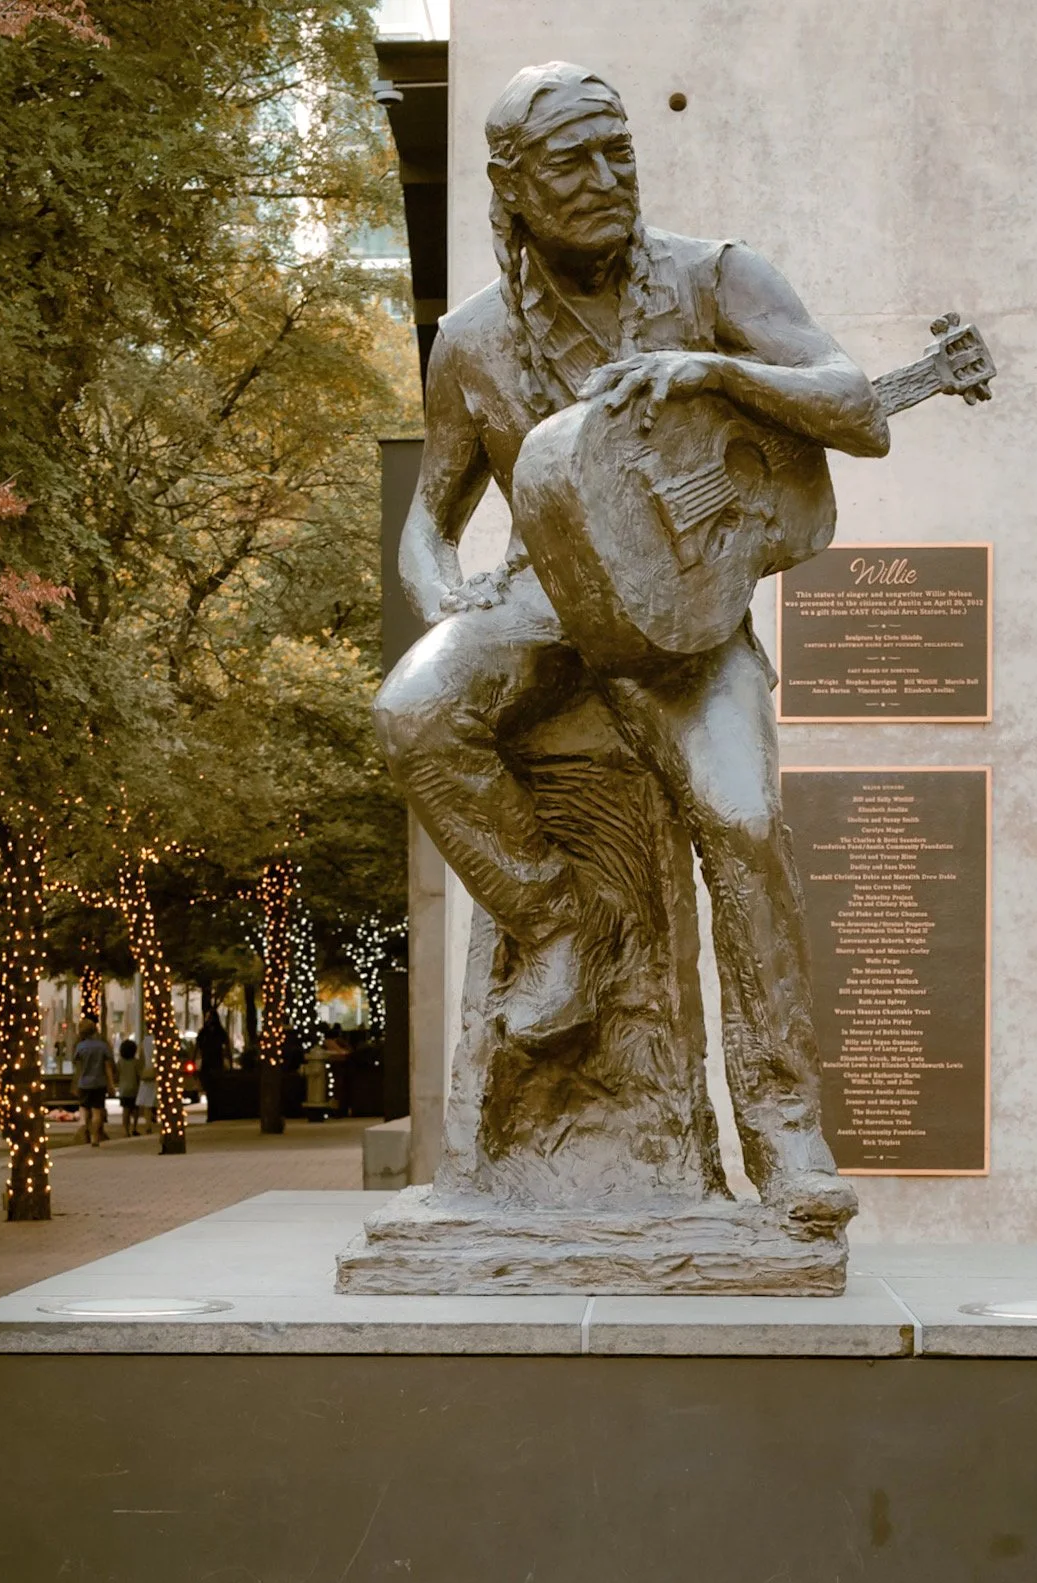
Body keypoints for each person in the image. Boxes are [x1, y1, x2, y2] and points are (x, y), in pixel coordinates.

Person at [373, 63, 889, 1227]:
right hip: (547, 614)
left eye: (619, 153)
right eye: (573, 161)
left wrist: (716, 368)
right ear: (510, 188)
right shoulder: (471, 343)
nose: (607, 179)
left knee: (746, 824)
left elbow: (856, 405)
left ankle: (785, 1130)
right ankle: (561, 920)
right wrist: (440, 592)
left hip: (689, 633)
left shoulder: (713, 277)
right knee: (411, 710)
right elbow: (429, 515)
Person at [71, 1015, 116, 1146]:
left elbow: (78, 1068)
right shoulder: (102, 1046)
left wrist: (75, 1084)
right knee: (97, 1111)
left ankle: (84, 1127)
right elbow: (108, 1068)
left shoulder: (80, 1047)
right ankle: (95, 1137)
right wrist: (111, 1085)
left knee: (84, 1108)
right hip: (99, 1082)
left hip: (84, 1083)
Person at [117, 1037, 144, 1137]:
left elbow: (117, 1073)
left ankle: (125, 1129)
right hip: (134, 1089)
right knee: (135, 1110)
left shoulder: (120, 1062)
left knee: (126, 1110)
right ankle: (134, 1128)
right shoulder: (136, 1062)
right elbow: (139, 1075)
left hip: (123, 1089)